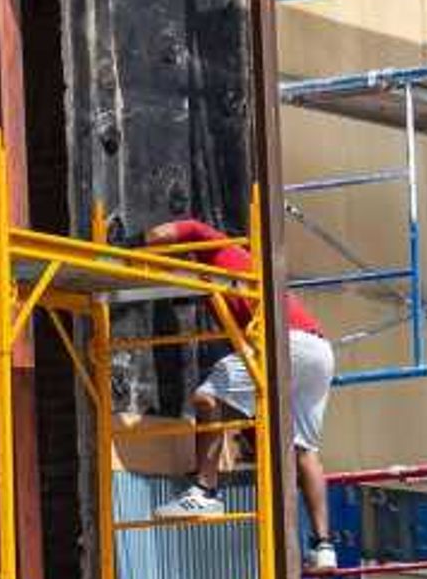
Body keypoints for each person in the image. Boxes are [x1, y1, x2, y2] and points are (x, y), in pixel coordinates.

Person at [141, 213, 333, 550]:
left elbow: (171, 231)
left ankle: (204, 489)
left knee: (206, 398)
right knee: (304, 448)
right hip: (318, 350)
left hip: (284, 341)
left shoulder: (209, 243)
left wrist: (130, 246)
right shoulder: (237, 273)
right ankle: (324, 544)